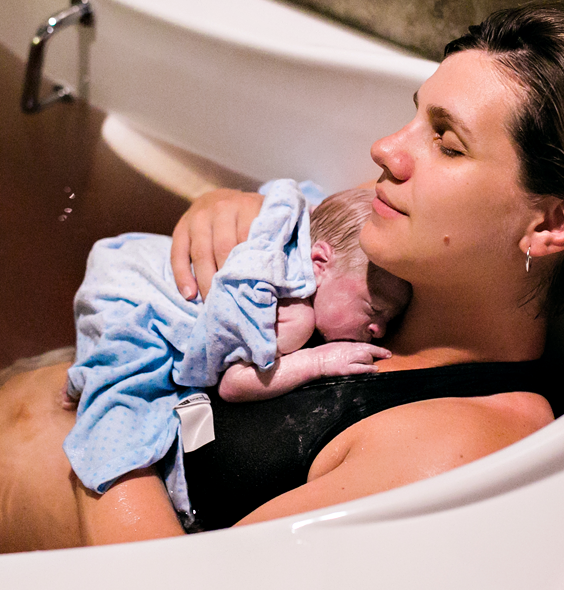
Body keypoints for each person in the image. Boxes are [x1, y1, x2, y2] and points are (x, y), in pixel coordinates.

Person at [0, 0, 564, 554]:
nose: (385, 149)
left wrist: (110, 407)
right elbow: (280, 236)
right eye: (414, 114)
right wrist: (229, 213)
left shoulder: (458, 436)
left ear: (551, 224)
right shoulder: (403, 271)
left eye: (446, 143)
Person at [63, 182, 411, 525]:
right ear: (319, 261)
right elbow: (233, 384)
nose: (380, 329)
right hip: (130, 293)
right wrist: (318, 361)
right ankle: (83, 381)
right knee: (128, 411)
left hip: (131, 254)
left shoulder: (301, 229)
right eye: (373, 309)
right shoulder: (294, 317)